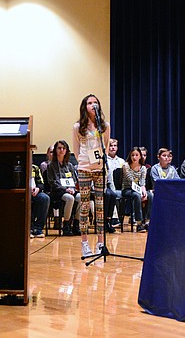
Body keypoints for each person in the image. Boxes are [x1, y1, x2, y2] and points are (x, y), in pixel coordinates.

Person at [71, 94, 110, 258]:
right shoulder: (78, 127)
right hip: (85, 168)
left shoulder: (105, 126)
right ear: (84, 107)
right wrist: (85, 163)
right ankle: (85, 243)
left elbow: (106, 146)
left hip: (99, 168)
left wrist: (102, 165)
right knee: (85, 206)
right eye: (89, 103)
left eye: (95, 102)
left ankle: (101, 242)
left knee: (100, 207)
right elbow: (76, 148)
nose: (93, 105)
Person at [44, 140, 80, 236]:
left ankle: (76, 224)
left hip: (70, 189)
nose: (61, 150)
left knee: (80, 197)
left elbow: (74, 180)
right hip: (57, 191)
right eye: (59, 148)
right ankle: (66, 224)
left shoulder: (70, 166)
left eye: (64, 148)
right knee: (70, 198)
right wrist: (65, 189)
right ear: (56, 150)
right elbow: (52, 182)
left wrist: (72, 188)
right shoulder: (51, 165)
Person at [120, 146, 149, 231]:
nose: (134, 157)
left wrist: (144, 192)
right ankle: (139, 223)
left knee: (150, 195)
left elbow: (142, 182)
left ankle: (147, 221)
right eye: (132, 155)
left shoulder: (143, 168)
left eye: (136, 155)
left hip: (138, 189)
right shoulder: (126, 166)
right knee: (137, 195)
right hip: (127, 189)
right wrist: (140, 192)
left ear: (140, 156)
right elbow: (131, 181)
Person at [102, 138, 125, 231]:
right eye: (111, 146)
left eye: (115, 146)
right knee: (111, 194)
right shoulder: (104, 160)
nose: (113, 148)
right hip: (106, 185)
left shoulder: (121, 161)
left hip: (118, 186)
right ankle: (112, 219)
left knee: (115, 194)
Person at [29, 160, 50, 238]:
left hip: (35, 192)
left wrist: (38, 188)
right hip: (25, 193)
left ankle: (38, 228)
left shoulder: (35, 168)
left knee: (45, 198)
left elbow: (41, 183)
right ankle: (29, 228)